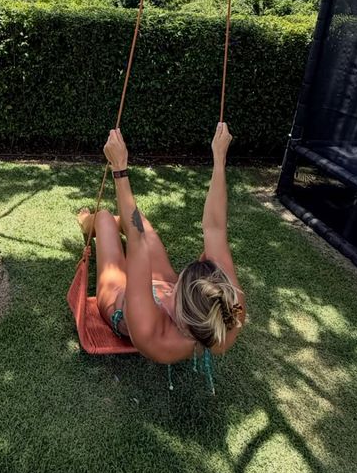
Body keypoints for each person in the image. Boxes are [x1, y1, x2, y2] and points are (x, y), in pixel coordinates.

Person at [78, 123, 245, 365]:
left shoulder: (153, 335)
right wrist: (220, 158)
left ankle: (86, 221)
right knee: (139, 222)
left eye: (180, 281)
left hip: (121, 300)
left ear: (179, 308)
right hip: (164, 291)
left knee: (104, 219)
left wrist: (120, 168)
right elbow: (216, 228)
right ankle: (117, 221)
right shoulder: (230, 307)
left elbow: (136, 239)